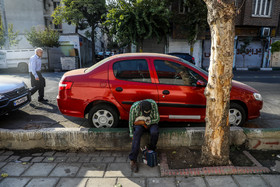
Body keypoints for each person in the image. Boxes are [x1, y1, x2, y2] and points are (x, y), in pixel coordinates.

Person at [128, 99, 160, 173]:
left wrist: (148, 122)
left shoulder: (153, 105)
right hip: (139, 123)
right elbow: (131, 122)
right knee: (136, 134)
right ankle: (133, 160)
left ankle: (151, 151)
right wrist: (131, 134)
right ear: (140, 108)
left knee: (154, 132)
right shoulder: (134, 108)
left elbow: (157, 118)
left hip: (151, 121)